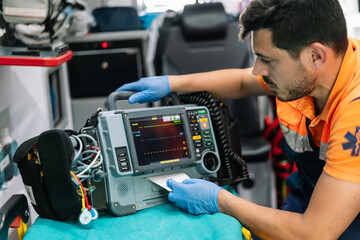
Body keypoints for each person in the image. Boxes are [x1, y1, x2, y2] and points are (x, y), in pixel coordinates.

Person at [116, 0, 360, 239]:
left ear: (316, 56)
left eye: (267, 60)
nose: (257, 70)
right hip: (310, 191)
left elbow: (313, 233)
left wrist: (219, 200)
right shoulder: (316, 66)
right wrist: (172, 83)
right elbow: (242, 82)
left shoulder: (354, 114)